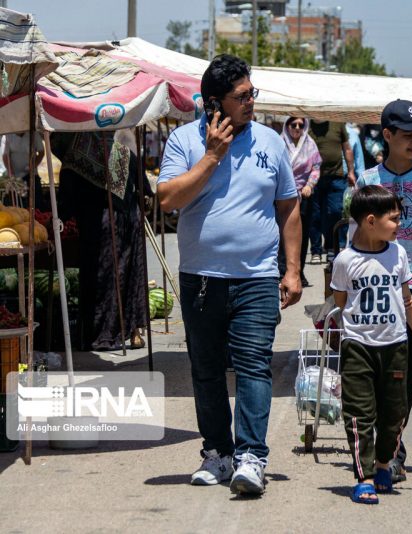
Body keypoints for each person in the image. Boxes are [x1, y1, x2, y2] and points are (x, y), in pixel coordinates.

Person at [158, 54, 302, 495]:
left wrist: (293, 269)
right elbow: (166, 198)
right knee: (205, 368)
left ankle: (251, 457)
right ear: (213, 103)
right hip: (201, 277)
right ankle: (217, 454)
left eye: (252, 94)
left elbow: (289, 206)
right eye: (242, 97)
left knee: (254, 365)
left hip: (257, 276)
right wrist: (213, 156)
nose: (251, 103)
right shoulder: (184, 141)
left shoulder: (271, 142)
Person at [357, 99, 412, 483]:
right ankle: (380, 446)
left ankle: (393, 446)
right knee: (375, 370)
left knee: (405, 375)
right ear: (388, 135)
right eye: (408, 136)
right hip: (376, 287)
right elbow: (356, 237)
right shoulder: (367, 180)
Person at [331, 185, 412, 504]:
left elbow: (406, 301)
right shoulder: (345, 260)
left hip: (395, 348)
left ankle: (382, 466)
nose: (399, 224)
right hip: (358, 348)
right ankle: (363, 477)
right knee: (359, 414)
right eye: (394, 219)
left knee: (394, 414)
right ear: (370, 221)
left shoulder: (399, 254)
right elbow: (340, 301)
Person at [54, 130, 149, 351]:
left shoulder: (73, 160)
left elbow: (64, 205)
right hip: (128, 222)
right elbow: (145, 190)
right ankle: (129, 331)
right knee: (126, 276)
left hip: (97, 229)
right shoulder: (125, 154)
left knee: (99, 280)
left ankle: (100, 335)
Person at [280, 116, 322, 287]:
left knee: (302, 235)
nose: (297, 128)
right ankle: (282, 270)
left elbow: (316, 167)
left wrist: (309, 185)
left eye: (300, 125)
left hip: (304, 195)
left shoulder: (310, 144)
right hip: (283, 195)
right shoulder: (278, 142)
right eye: (293, 124)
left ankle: (300, 271)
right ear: (287, 126)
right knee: (283, 232)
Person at [308, 120, 357, 264]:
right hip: (312, 179)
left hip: (336, 176)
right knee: (315, 215)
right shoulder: (307, 125)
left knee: (336, 211)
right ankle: (316, 250)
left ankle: (335, 247)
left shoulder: (337, 123)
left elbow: (347, 148)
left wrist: (351, 171)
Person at [3, 131, 46, 209]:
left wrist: (33, 166)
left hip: (31, 175)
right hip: (15, 176)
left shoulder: (34, 134)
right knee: (15, 203)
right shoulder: (9, 135)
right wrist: (10, 172)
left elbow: (41, 152)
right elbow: (6, 156)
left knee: (37, 202)